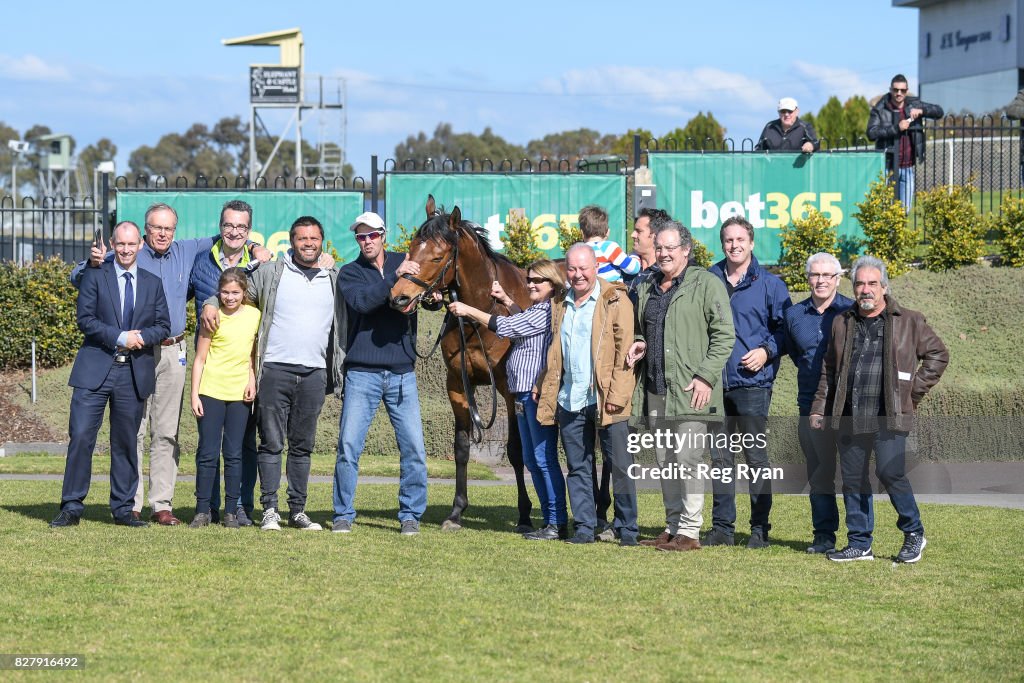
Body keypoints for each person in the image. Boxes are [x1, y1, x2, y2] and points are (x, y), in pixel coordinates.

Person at [72, 202, 270, 526]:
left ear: (174, 231)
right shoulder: (131, 253)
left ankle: (161, 504)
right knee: (134, 430)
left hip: (173, 351)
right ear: (145, 230)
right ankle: (129, 502)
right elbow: (80, 277)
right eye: (156, 228)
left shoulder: (187, 250)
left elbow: (230, 236)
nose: (162, 233)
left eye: (168, 228)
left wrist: (255, 246)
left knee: (167, 431)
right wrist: (90, 263)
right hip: (137, 351)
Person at [201, 216, 345, 532]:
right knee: (271, 444)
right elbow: (233, 291)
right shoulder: (272, 272)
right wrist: (211, 303)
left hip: (315, 374)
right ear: (291, 242)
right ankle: (269, 509)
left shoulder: (333, 276)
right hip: (274, 371)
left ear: (322, 241)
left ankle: (297, 511)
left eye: (314, 238)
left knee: (302, 446)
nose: (308, 243)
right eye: (302, 238)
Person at [811, 256, 948, 564]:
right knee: (853, 478)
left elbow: (938, 355)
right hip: (850, 413)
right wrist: (819, 407)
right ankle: (860, 543)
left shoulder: (909, 320)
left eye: (872, 283)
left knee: (890, 472)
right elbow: (828, 370)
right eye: (860, 283)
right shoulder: (842, 322)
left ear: (884, 287)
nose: (865, 289)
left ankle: (914, 533)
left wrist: (911, 392)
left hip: (890, 413)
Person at [50, 222, 170, 528]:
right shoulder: (95, 276)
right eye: (120, 245)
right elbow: (85, 320)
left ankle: (122, 510)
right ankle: (72, 507)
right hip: (95, 369)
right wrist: (120, 336)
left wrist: (140, 337)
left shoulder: (153, 282)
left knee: (126, 442)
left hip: (133, 372)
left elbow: (163, 325)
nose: (126, 250)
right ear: (112, 246)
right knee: (80, 438)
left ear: (140, 245)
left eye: (131, 245)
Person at [626, 221, 735, 552]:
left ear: (686, 250)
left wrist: (705, 376)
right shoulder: (648, 287)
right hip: (657, 389)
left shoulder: (706, 283)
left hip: (691, 389)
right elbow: (646, 328)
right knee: (666, 461)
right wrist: (641, 342)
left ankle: (690, 531)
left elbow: (725, 335)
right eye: (659, 248)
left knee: (688, 459)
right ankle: (672, 527)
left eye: (670, 248)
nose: (663, 254)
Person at [448, 260, 569, 540]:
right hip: (522, 394)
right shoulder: (538, 310)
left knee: (543, 457)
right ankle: (551, 520)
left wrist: (468, 310)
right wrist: (507, 299)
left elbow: (506, 326)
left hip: (533, 394)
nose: (531, 284)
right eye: (529, 279)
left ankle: (557, 521)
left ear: (552, 285)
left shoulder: (546, 312)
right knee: (531, 457)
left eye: (538, 280)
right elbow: (519, 320)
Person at [332, 211, 430, 536]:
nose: (367, 241)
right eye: (361, 236)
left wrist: (432, 297)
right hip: (362, 373)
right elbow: (363, 303)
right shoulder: (350, 273)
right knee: (348, 447)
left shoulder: (405, 260)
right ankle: (343, 514)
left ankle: (411, 515)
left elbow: (423, 291)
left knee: (414, 449)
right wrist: (393, 278)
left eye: (372, 235)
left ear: (383, 235)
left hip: (402, 373)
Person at [535, 243, 638, 546]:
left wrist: (617, 395)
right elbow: (555, 350)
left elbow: (625, 352)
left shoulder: (615, 299)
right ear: (565, 271)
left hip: (607, 398)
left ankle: (627, 529)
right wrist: (545, 383)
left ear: (595, 267)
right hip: (570, 397)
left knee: (619, 465)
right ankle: (584, 527)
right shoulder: (560, 303)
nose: (578, 275)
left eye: (583, 268)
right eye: (572, 269)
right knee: (578, 467)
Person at [707, 216, 792, 549]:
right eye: (728, 240)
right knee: (720, 459)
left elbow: (786, 330)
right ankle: (722, 528)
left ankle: (760, 529)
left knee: (755, 457)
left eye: (740, 239)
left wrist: (766, 351)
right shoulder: (709, 279)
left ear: (752, 243)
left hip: (752, 383)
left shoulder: (770, 284)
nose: (734, 245)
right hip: (714, 383)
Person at [190, 200, 268, 527]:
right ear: (220, 226)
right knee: (209, 450)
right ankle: (205, 508)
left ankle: (240, 509)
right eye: (228, 226)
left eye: (241, 227)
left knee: (242, 449)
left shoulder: (261, 261)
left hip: (243, 378)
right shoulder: (202, 262)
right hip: (211, 374)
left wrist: (252, 374)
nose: (234, 232)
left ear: (248, 230)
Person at [783, 253, 853, 554]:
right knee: (820, 473)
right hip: (809, 403)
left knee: (853, 474)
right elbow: (798, 356)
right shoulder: (795, 315)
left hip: (848, 405)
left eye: (828, 275)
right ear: (808, 277)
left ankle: (860, 538)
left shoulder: (851, 311)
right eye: (815, 275)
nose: (821, 280)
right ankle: (824, 536)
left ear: (837, 278)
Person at [867, 74, 944, 213]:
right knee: (887, 211)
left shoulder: (913, 104)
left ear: (906, 90)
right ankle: (889, 235)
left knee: (905, 211)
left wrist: (922, 111)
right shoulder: (880, 109)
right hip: (887, 167)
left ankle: (899, 235)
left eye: (902, 90)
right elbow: (871, 133)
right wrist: (896, 128)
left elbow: (939, 111)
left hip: (907, 167)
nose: (899, 93)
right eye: (896, 90)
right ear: (890, 89)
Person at [580, 204, 640, 283]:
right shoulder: (609, 247)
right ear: (608, 232)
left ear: (581, 233)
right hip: (612, 291)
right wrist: (635, 255)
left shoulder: (579, 252)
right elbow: (633, 268)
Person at [625, 207, 670, 302]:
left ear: (655, 236)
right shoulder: (626, 266)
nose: (632, 235)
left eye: (638, 231)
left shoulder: (665, 274)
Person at [755, 97, 820, 153]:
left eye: (790, 111)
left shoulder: (805, 126)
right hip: (773, 167)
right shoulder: (769, 127)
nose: (786, 114)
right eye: (783, 111)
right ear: (778, 112)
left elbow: (816, 143)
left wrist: (810, 145)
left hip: (798, 167)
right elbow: (759, 149)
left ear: (797, 111)